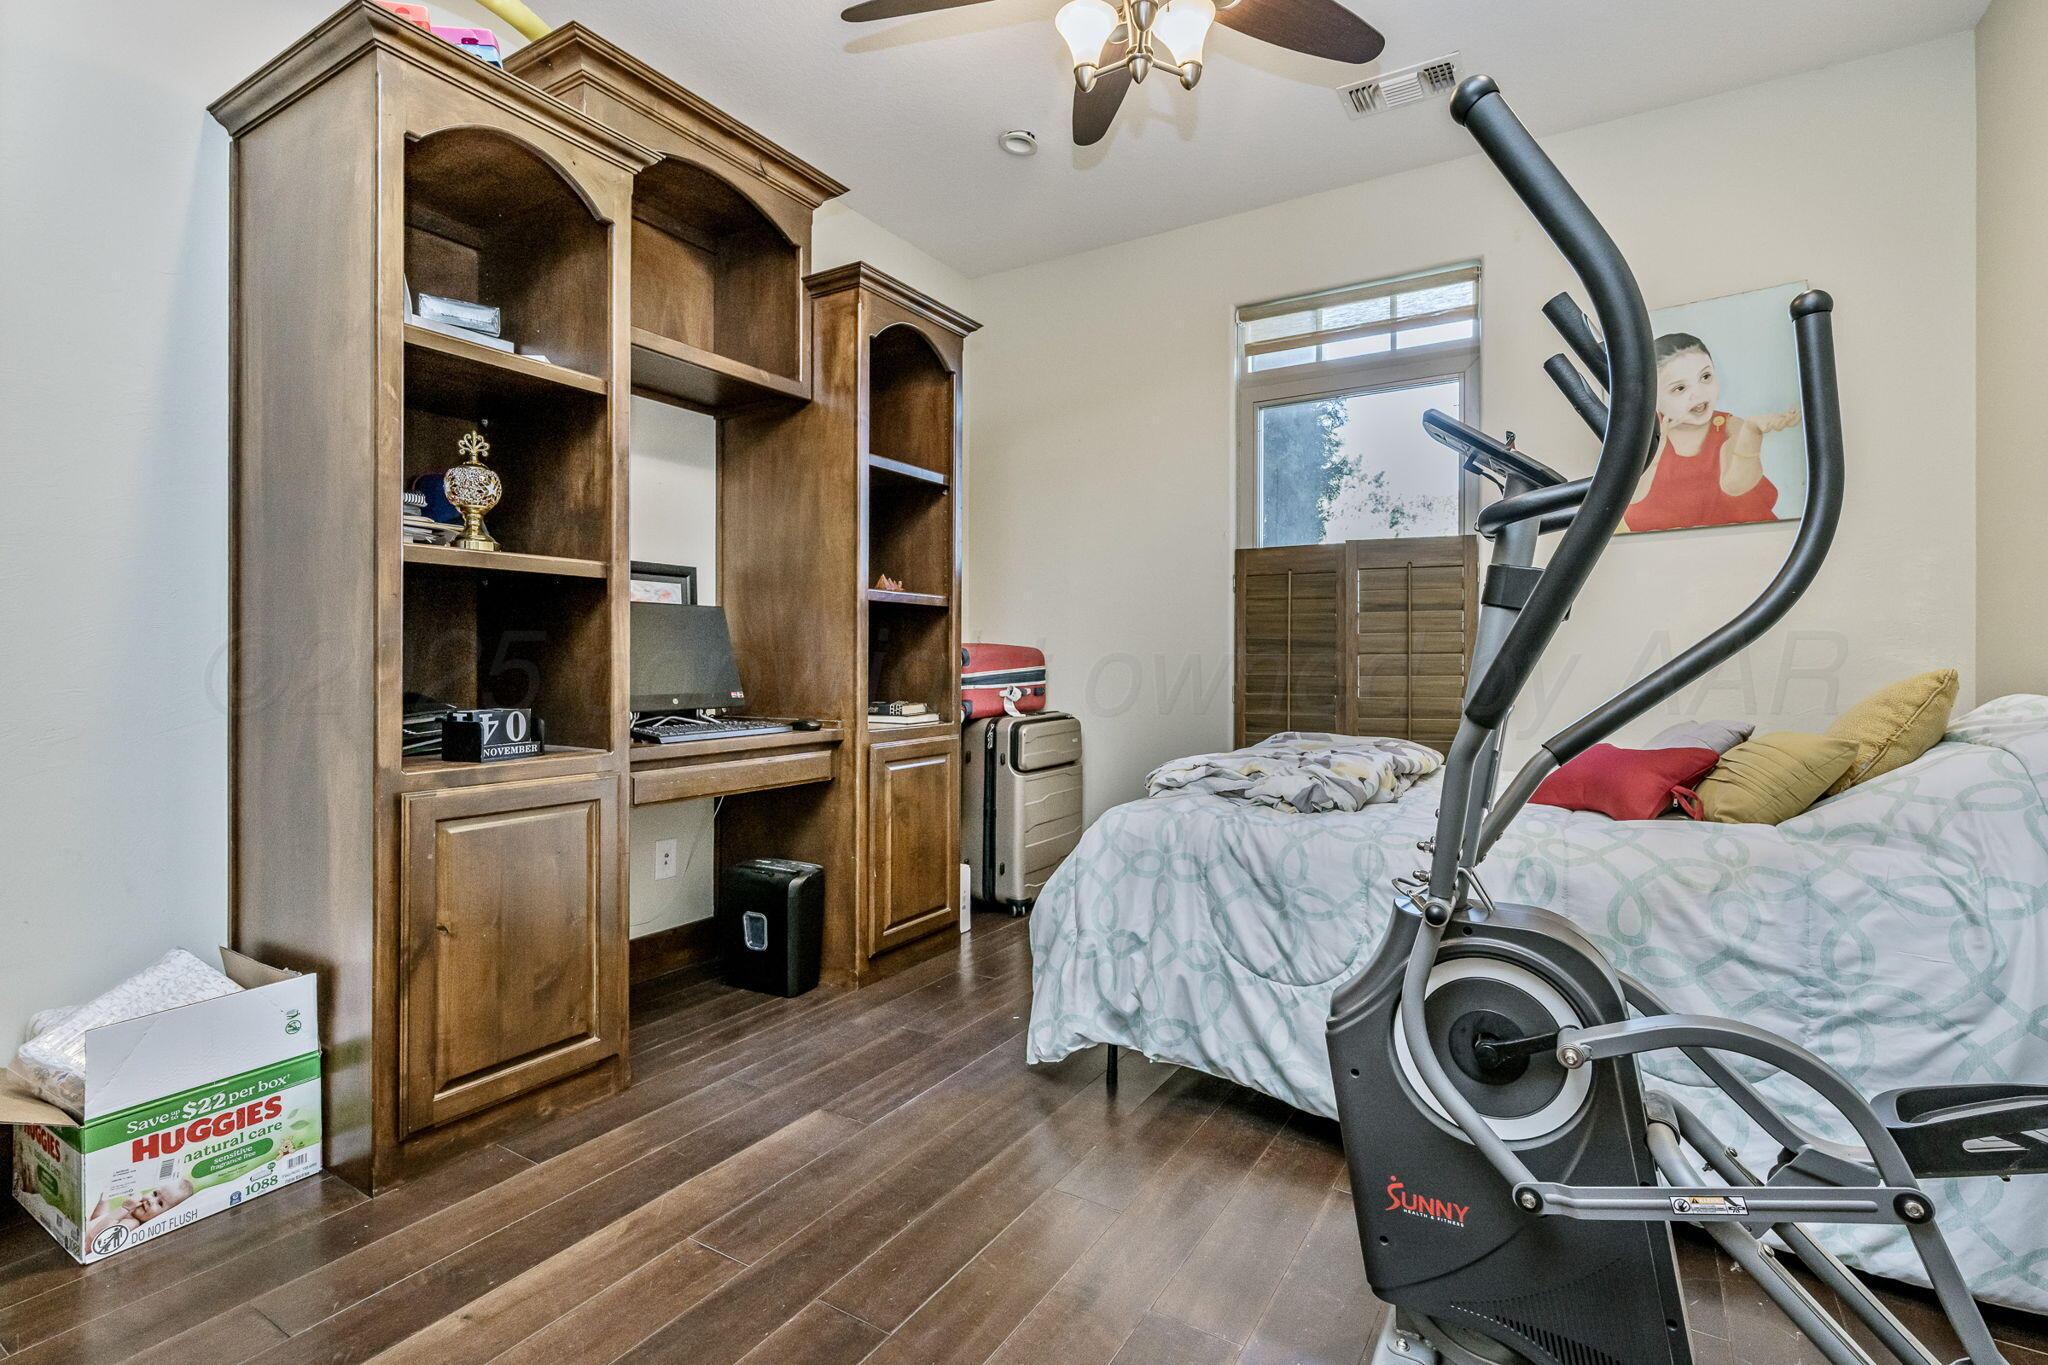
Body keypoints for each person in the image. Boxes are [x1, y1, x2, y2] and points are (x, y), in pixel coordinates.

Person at [1624, 332, 1801, 533]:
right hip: (1668, 546)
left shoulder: (1729, 426)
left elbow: (1736, 485)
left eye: (1705, 377)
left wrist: (1752, 433)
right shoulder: (1640, 436)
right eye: (1680, 388)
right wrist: (1656, 447)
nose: (1698, 393)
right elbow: (1630, 497)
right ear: (1651, 396)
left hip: (1745, 538)